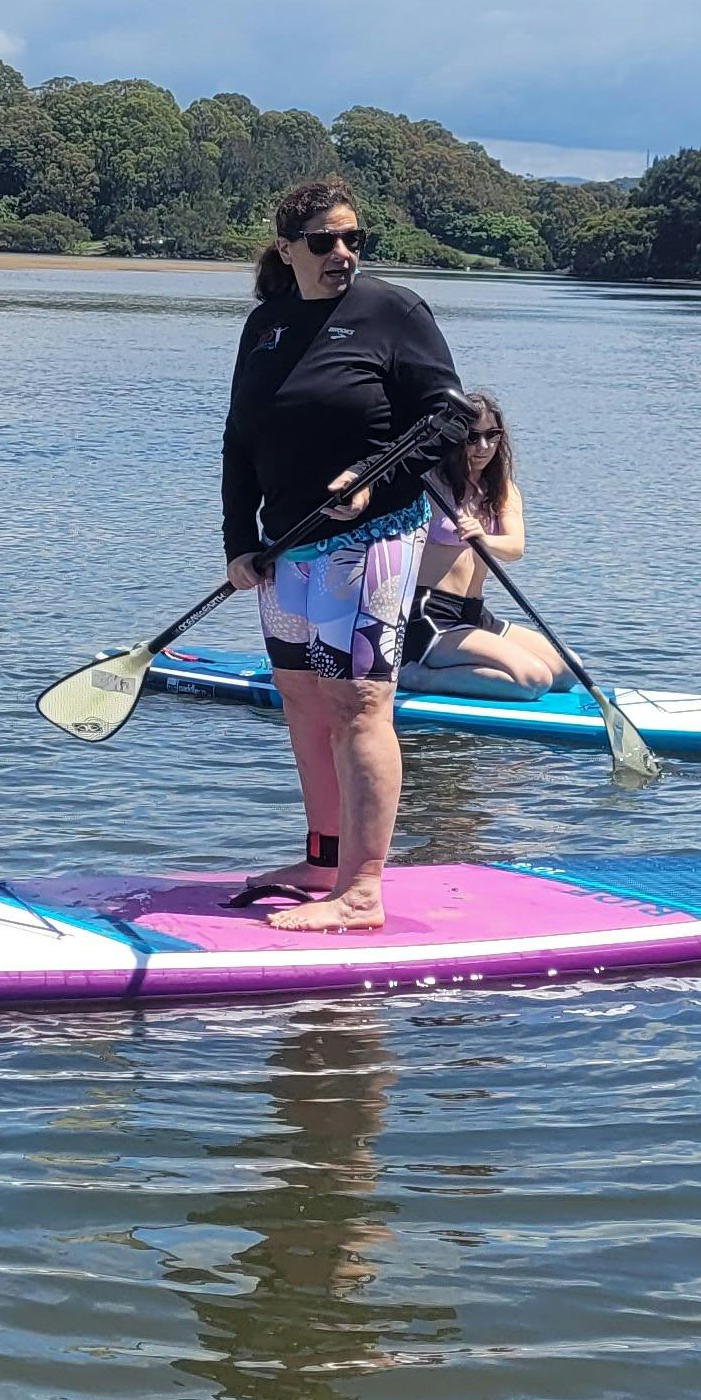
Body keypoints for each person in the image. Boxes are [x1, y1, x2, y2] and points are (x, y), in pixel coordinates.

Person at [221, 176, 464, 933]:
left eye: (354, 239)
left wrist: (370, 478)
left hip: (372, 539)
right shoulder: (266, 325)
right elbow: (238, 439)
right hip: (284, 548)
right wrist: (239, 542)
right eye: (324, 241)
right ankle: (323, 859)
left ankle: (362, 888)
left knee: (360, 705)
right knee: (301, 700)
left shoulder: (394, 312)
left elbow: (451, 418)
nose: (343, 254)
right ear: (287, 248)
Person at [406, 392, 569, 695]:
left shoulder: (502, 490)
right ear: (455, 438)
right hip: (431, 616)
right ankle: (416, 677)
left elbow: (514, 547)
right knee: (534, 680)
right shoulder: (427, 485)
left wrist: (483, 539)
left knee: (567, 670)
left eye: (492, 436)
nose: (483, 447)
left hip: (474, 615)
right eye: (472, 437)